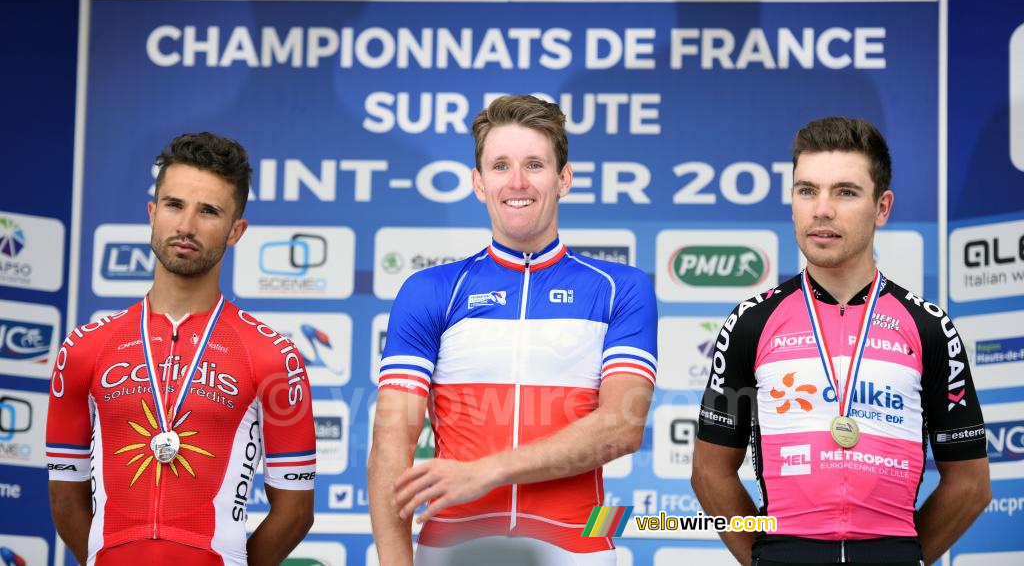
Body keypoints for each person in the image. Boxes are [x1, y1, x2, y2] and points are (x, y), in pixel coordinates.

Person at [368, 95, 658, 565]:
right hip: (454, 548)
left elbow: (620, 427)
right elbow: (390, 447)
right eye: (500, 166)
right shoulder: (431, 290)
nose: (517, 182)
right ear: (479, 183)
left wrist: (488, 472)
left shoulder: (618, 288)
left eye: (535, 165)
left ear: (563, 179)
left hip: (575, 549)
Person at [693, 117, 991, 566]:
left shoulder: (929, 326)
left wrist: (902, 556)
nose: (822, 210)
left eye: (845, 192)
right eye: (806, 190)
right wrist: (765, 557)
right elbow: (709, 472)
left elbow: (970, 484)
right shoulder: (751, 322)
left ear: (882, 207)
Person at [47, 132, 316, 566]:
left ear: (236, 231)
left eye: (208, 211)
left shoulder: (273, 356)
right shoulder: (85, 347)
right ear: (153, 213)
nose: (186, 226)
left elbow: (296, 513)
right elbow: (65, 502)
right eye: (174, 205)